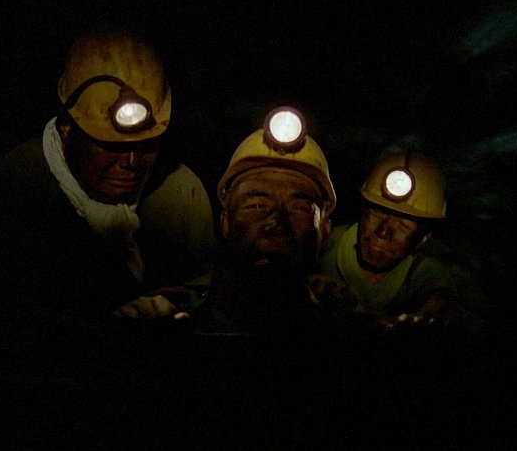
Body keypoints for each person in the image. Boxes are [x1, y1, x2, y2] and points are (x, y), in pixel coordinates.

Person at [0, 29, 215, 362]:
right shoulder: (10, 193)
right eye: (110, 145)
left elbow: (201, 293)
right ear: (67, 130)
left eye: (148, 145)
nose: (131, 162)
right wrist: (97, 330)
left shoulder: (180, 195)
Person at [115, 107, 370, 335]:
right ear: (225, 223)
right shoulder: (167, 316)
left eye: (298, 208)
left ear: (324, 230)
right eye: (256, 205)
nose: (277, 223)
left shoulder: (347, 323)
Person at [319, 149, 484, 333]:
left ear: (422, 239)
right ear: (362, 211)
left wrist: (436, 311)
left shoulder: (420, 271)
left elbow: (438, 291)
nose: (383, 231)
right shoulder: (325, 242)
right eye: (376, 213)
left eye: (403, 226)